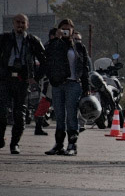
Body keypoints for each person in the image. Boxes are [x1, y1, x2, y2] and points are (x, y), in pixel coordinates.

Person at [0, 13, 46, 154]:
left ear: (27, 25)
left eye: (22, 23)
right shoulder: (4, 38)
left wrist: (36, 77)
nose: (20, 25)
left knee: (20, 114)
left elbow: (44, 60)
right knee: (1, 111)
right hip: (5, 78)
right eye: (17, 22)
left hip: (22, 79)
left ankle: (15, 143)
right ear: (13, 24)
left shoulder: (33, 41)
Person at [43, 19, 89, 156]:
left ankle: (72, 144)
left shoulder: (79, 47)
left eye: (68, 29)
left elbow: (84, 67)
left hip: (73, 84)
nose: (65, 31)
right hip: (58, 84)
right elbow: (47, 56)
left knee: (71, 114)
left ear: (73, 30)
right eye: (63, 29)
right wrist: (56, 39)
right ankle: (58, 144)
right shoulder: (55, 45)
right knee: (59, 115)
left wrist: (86, 87)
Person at [32, 27, 59, 136]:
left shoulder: (57, 46)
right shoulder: (49, 47)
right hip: (50, 78)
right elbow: (45, 63)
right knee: (46, 101)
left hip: (55, 77)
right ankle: (38, 126)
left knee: (48, 101)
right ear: (52, 35)